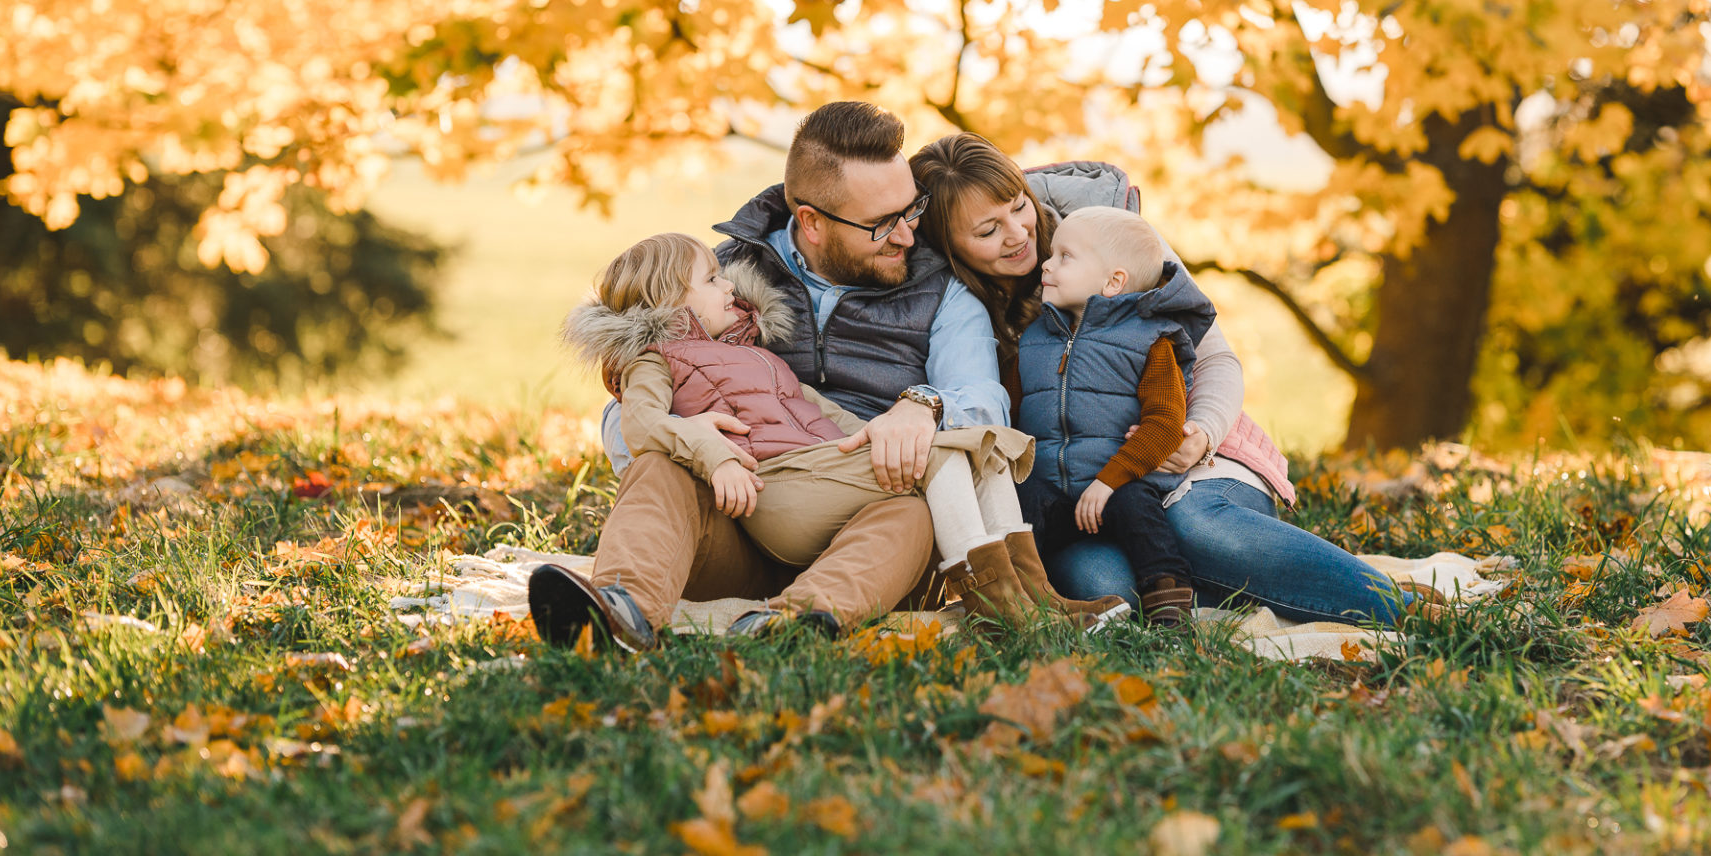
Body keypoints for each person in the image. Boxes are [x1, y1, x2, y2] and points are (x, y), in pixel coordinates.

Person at [529, 103, 1101, 653]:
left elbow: (982, 402)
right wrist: (695, 437)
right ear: (812, 222)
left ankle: (798, 621)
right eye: (882, 224)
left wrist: (921, 405)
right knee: (660, 463)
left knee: (916, 507)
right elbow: (630, 408)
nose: (907, 235)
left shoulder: (941, 290)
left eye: (912, 210)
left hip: (876, 528)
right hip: (745, 514)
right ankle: (618, 608)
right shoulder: (724, 278)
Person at [910, 133, 1408, 625]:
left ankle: (1400, 610)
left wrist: (1202, 432)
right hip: (1084, 498)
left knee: (1194, 525)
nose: (1018, 234)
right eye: (987, 231)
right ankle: (1213, 589)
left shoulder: (1109, 239)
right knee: (1104, 586)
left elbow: (1217, 360)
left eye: (1018, 206)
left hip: (1187, 463)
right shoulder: (958, 307)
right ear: (950, 248)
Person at [1014, 207, 1211, 627]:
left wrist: (1108, 481)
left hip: (1118, 488)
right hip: (1057, 494)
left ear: (1113, 282)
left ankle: (1170, 604)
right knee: (1024, 500)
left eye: (1065, 256)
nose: (1046, 264)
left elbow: (1163, 424)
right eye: (1052, 254)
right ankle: (1022, 599)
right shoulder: (1034, 340)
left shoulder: (1150, 342)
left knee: (1137, 505)